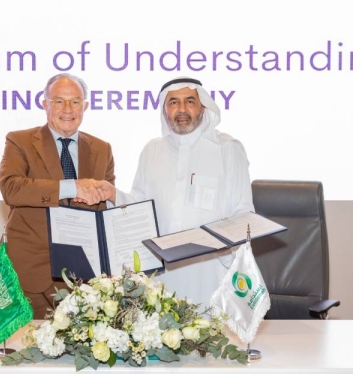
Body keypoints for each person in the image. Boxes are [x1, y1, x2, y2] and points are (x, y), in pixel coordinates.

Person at [96, 76, 254, 308]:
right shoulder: (152, 150)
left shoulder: (227, 149)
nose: (181, 109)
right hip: (162, 274)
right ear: (164, 109)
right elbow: (139, 207)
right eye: (173, 102)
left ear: (203, 106)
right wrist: (113, 194)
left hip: (210, 272)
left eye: (189, 101)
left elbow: (243, 212)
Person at [0, 73, 113, 319]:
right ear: (45, 104)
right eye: (59, 101)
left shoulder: (102, 149)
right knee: (24, 350)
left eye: (75, 101)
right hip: (30, 271)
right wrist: (73, 187)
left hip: (82, 276)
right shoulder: (20, 141)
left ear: (86, 106)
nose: (68, 109)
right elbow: (11, 188)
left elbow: (107, 213)